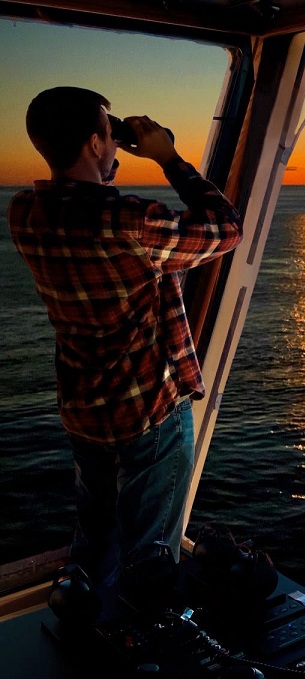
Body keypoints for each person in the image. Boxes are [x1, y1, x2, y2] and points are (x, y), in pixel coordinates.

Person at [7, 86, 243, 597]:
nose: (114, 145)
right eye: (108, 135)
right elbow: (226, 229)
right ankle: (142, 650)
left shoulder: (24, 213)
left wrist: (117, 147)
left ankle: (85, 630)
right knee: (151, 554)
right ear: (95, 144)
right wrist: (169, 158)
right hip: (148, 414)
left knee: (93, 540)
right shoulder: (130, 221)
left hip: (84, 410)